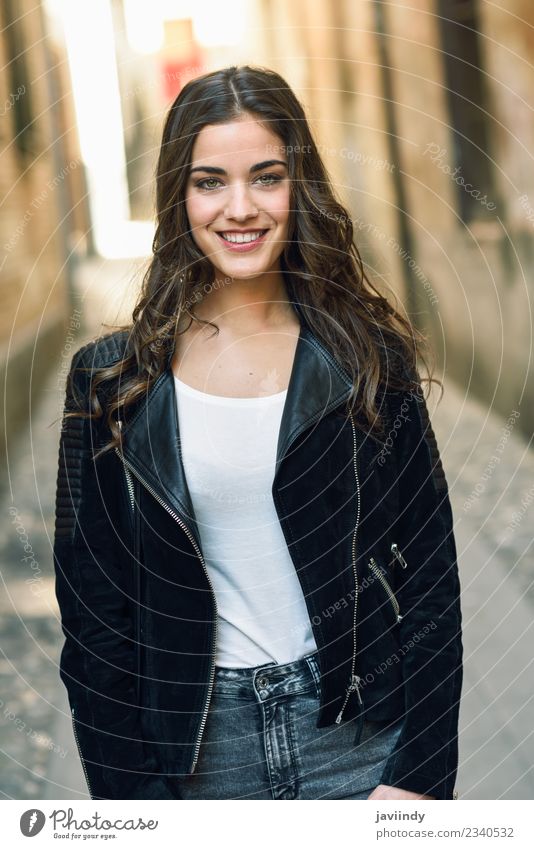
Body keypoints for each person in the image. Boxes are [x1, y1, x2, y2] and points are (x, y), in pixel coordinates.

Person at [53, 64, 463, 801]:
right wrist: (137, 806)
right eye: (210, 181)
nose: (239, 208)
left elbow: (429, 572)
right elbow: (94, 624)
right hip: (203, 758)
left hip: (360, 741)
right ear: (179, 197)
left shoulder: (366, 358)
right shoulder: (111, 385)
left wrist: (419, 777)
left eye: (265, 177)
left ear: (296, 187)